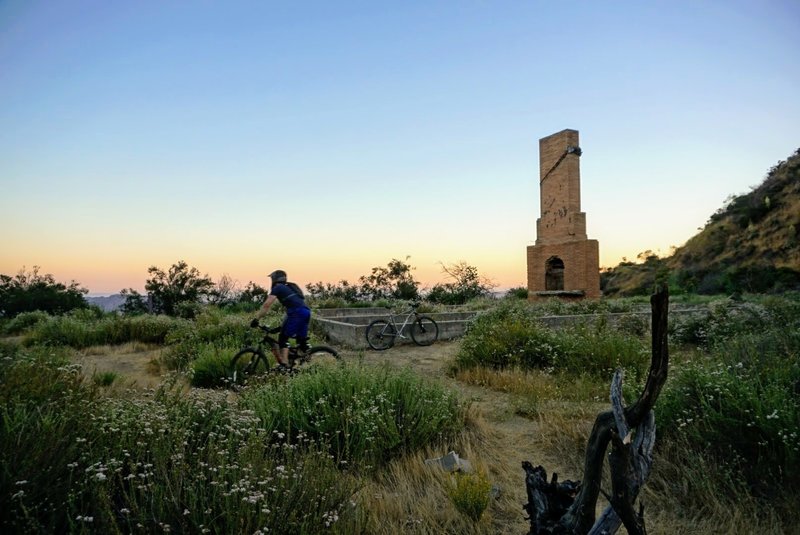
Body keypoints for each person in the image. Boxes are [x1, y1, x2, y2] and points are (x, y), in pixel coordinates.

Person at [252, 270, 311, 368]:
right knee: (300, 342)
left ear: (275, 279)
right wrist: (280, 327)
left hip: (296, 313)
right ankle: (298, 363)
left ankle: (284, 365)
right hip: (305, 312)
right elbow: (291, 311)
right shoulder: (288, 288)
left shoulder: (278, 288)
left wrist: (256, 319)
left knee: (283, 339)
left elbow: (266, 305)